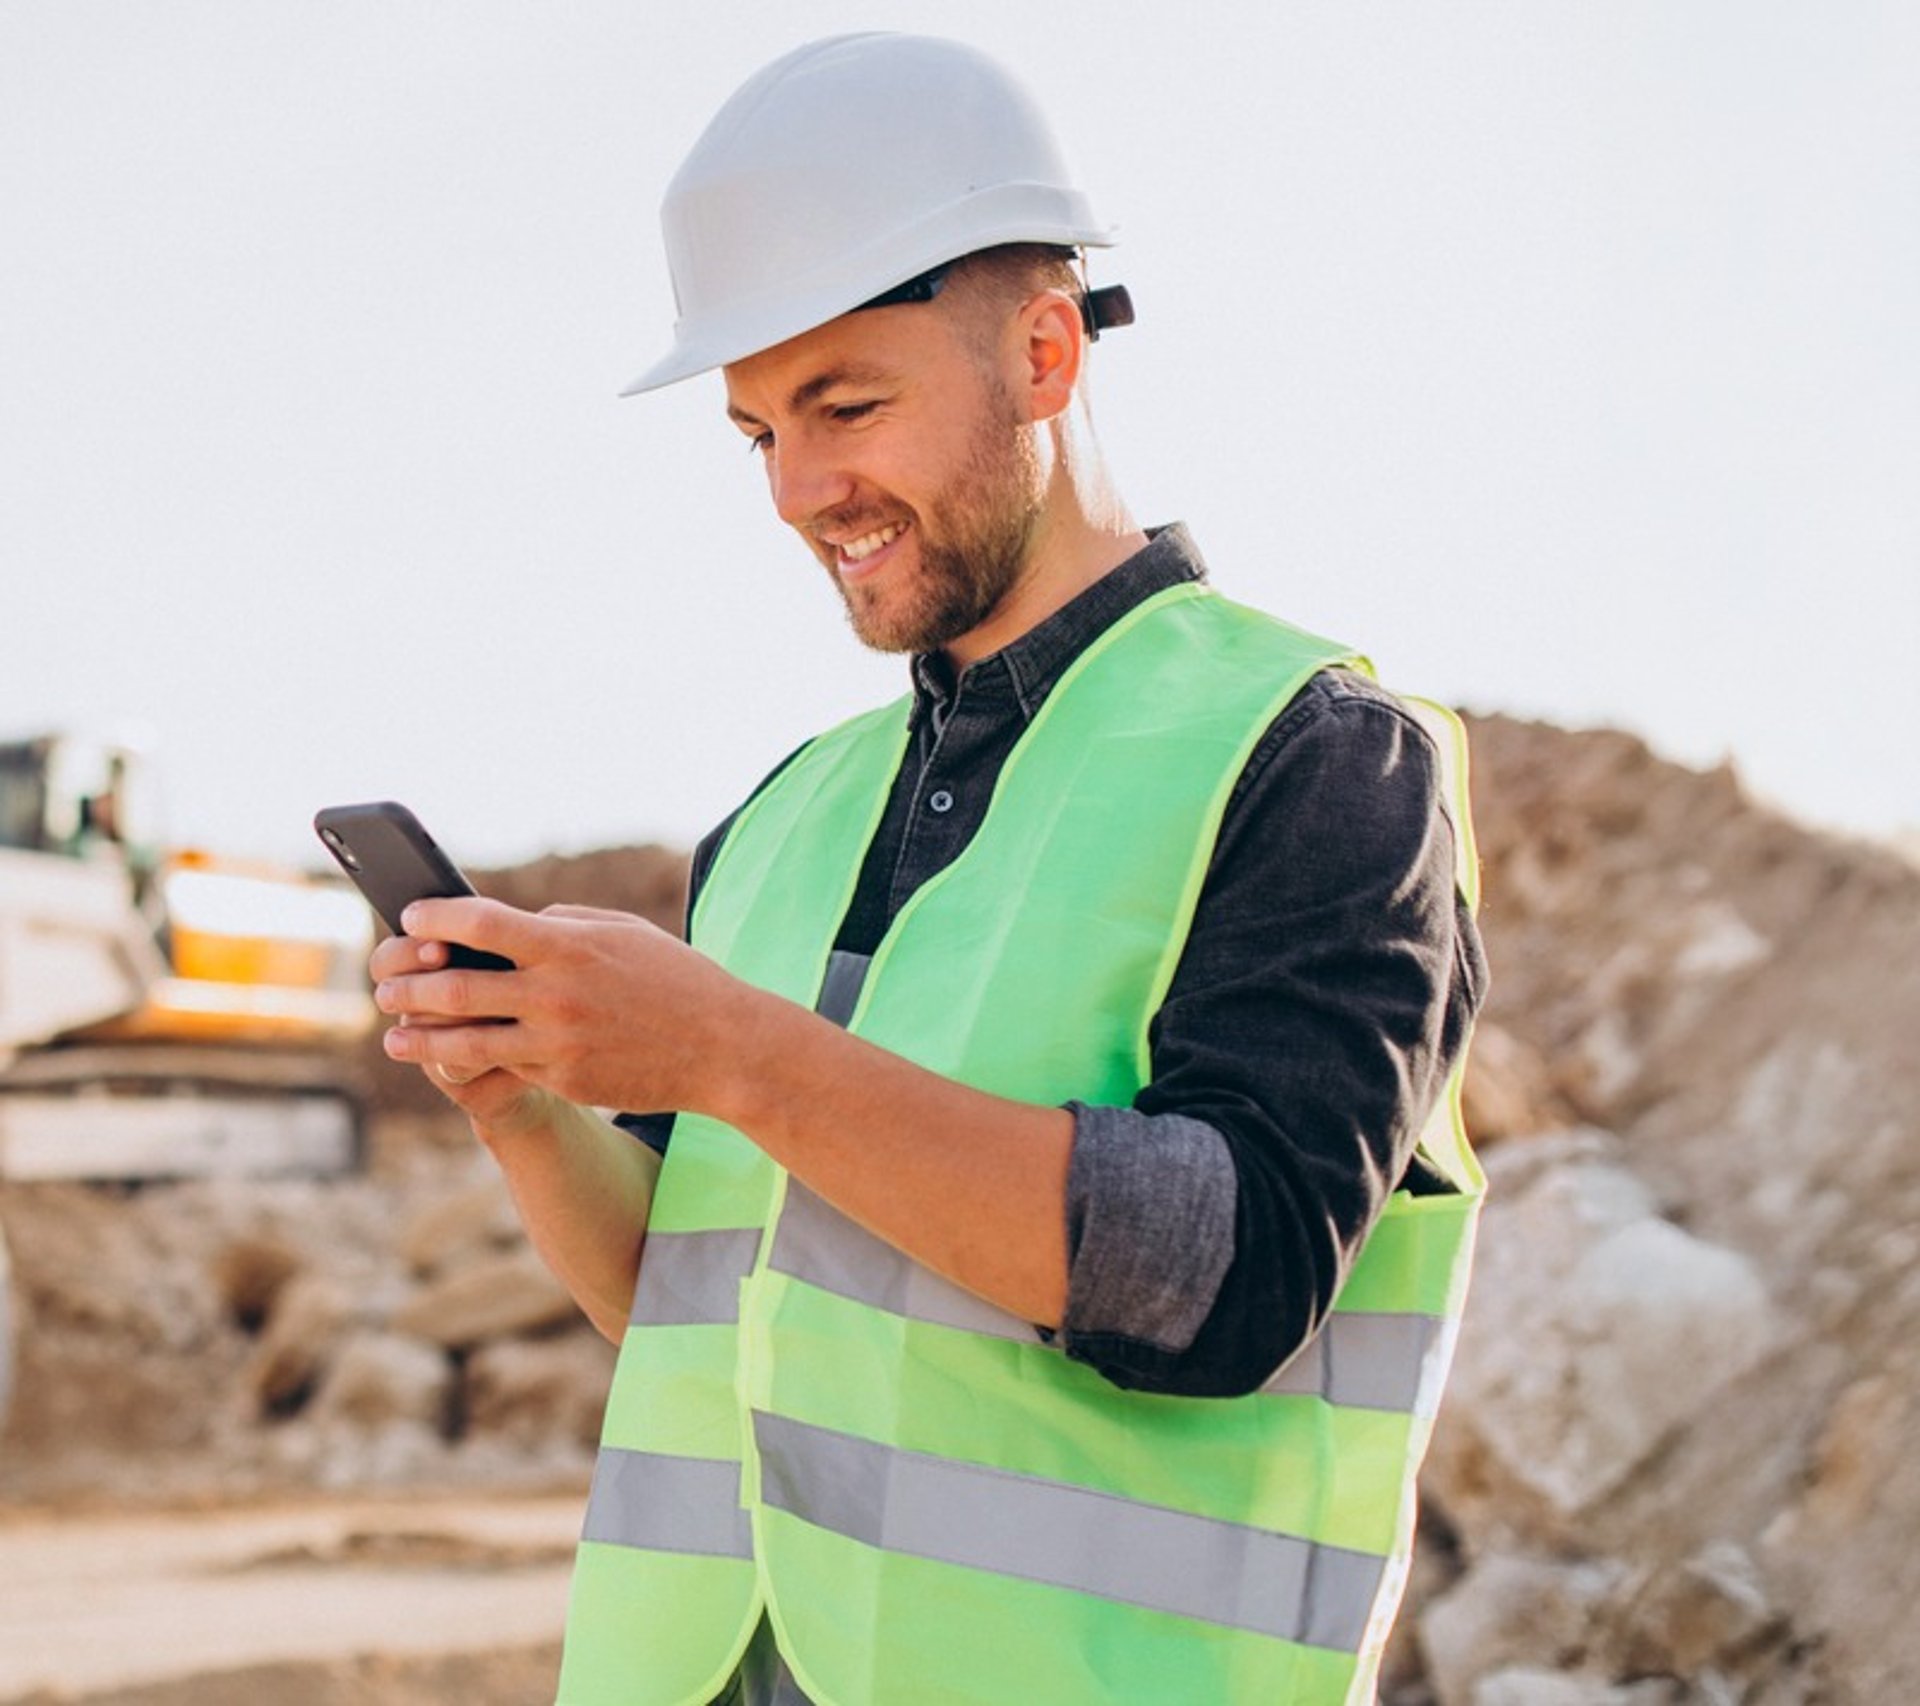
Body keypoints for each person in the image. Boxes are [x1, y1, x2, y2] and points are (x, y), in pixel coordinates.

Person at [372, 32, 1488, 1706]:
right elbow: (695, 1299)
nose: (800, 491)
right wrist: (522, 1102)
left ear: (1044, 352)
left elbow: (1232, 1272)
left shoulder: (1312, 757)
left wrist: (734, 1052)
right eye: (756, 432)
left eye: (848, 406)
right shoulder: (789, 815)